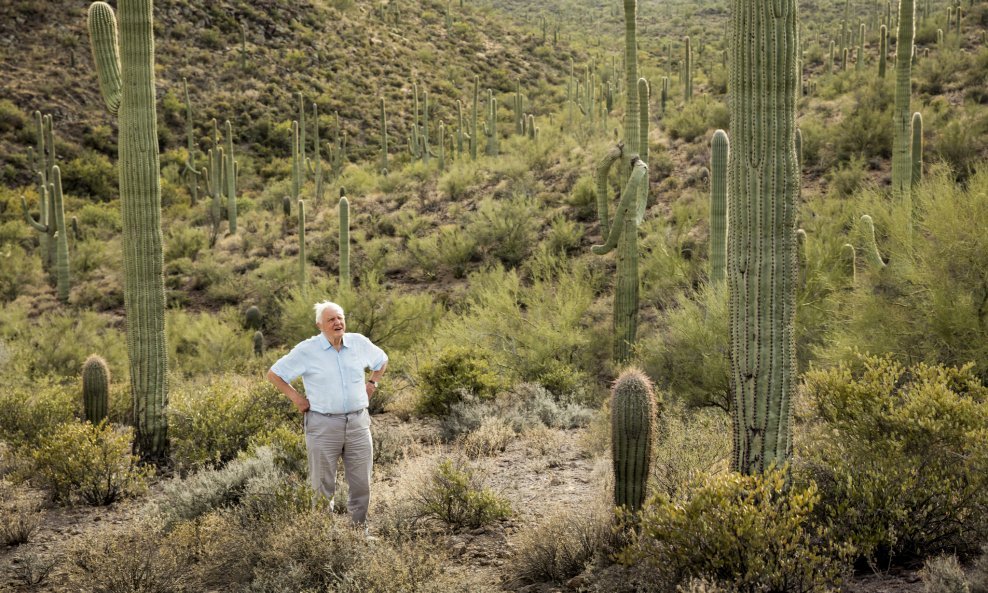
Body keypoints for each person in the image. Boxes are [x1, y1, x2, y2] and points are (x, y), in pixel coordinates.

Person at [266, 301, 387, 526]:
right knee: (322, 485)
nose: (337, 322)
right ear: (319, 325)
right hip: (323, 425)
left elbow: (382, 360)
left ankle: (359, 531)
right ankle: (323, 537)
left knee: (362, 483)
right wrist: (296, 398)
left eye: (340, 318)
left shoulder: (359, 343)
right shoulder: (307, 350)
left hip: (358, 423)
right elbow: (274, 374)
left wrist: (372, 383)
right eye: (331, 319)